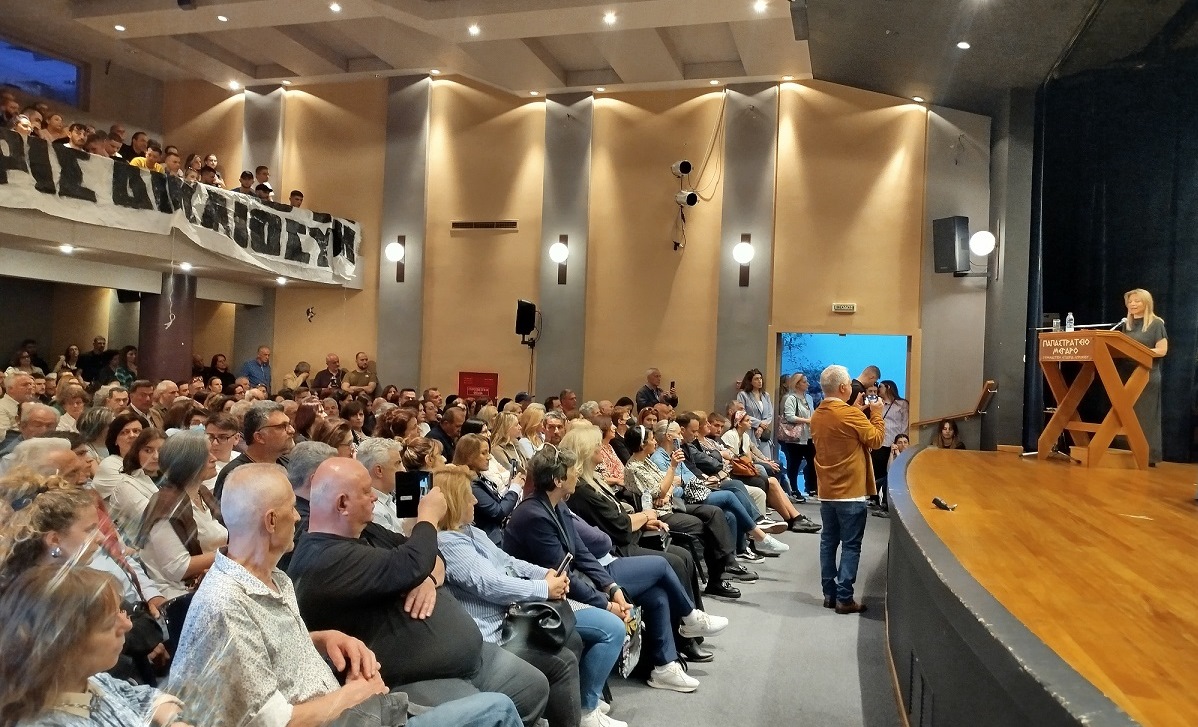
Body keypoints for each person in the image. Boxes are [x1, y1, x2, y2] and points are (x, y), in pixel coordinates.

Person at [169, 463, 524, 727]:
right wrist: (351, 696)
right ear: (271, 521)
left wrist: (322, 639)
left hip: (359, 707)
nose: (299, 517)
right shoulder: (225, 604)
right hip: (345, 715)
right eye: (292, 508)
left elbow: (264, 651)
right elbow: (270, 721)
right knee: (498, 710)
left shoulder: (273, 578)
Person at [287, 458, 552, 726]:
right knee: (496, 712)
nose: (375, 497)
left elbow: (430, 556)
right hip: (419, 678)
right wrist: (428, 518)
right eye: (366, 492)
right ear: (342, 504)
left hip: (472, 655)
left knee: (534, 686)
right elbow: (417, 559)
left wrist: (426, 578)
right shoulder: (323, 558)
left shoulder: (368, 530)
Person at [503, 446, 727, 692]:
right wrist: (606, 603)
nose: (577, 473)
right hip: (544, 600)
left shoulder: (556, 505)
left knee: (657, 595)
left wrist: (612, 587)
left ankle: (664, 667)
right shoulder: (534, 515)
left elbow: (583, 554)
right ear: (558, 480)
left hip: (573, 583)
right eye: (573, 470)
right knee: (663, 566)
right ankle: (689, 619)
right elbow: (563, 575)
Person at [435, 464, 627, 727]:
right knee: (564, 662)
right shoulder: (448, 542)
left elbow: (508, 561)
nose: (475, 500)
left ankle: (560, 711)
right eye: (468, 495)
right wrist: (544, 588)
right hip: (490, 636)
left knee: (570, 638)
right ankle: (577, 714)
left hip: (507, 617)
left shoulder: (471, 531)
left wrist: (545, 574)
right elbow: (491, 584)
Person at [0, 566, 188, 727]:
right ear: (64, 649)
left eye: (120, 612)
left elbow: (141, 697)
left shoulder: (92, 681)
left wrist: (171, 720)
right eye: (109, 624)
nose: (127, 625)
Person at [810, 364, 884, 615]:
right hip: (851, 490)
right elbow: (876, 439)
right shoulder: (851, 415)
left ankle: (829, 595)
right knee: (851, 545)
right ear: (843, 387)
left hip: (827, 490)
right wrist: (876, 413)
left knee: (828, 542)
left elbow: (840, 431)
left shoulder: (817, 414)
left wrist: (857, 412)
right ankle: (845, 598)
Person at [136, 431, 227, 599]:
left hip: (212, 581)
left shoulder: (202, 492)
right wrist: (231, 553)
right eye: (206, 455)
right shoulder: (166, 506)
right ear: (188, 463)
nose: (214, 458)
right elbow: (178, 568)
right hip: (179, 595)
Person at [1120, 288, 1168, 465]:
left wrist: (1140, 352)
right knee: (1128, 416)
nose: (1132, 304)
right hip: (1127, 374)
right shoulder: (1126, 325)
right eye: (1130, 301)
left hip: (1147, 375)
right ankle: (1129, 454)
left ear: (1146, 303)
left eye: (1137, 301)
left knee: (1145, 416)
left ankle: (1148, 456)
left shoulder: (1156, 324)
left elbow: (1162, 350)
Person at [212, 401, 295, 499]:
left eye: (289, 424)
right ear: (259, 437)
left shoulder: (288, 464)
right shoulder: (235, 476)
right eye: (282, 427)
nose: (291, 430)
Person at [453, 434, 520, 545]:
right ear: (469, 456)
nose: (489, 457)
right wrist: (515, 488)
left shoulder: (478, 476)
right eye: (483, 453)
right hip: (491, 539)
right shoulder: (468, 483)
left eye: (488, 452)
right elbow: (498, 513)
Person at [778, 372, 817, 500]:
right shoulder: (790, 398)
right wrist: (807, 420)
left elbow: (812, 413)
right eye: (805, 382)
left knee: (812, 461)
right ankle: (794, 489)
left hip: (809, 435)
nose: (808, 384)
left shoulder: (809, 398)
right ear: (797, 384)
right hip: (795, 437)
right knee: (795, 462)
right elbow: (789, 416)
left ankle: (812, 487)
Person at [874, 379, 909, 513]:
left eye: (881, 387)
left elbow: (904, 422)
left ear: (888, 387)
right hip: (880, 441)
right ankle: (875, 498)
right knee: (878, 471)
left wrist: (902, 441)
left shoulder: (901, 404)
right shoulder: (879, 404)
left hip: (894, 442)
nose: (879, 389)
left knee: (891, 472)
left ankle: (888, 502)